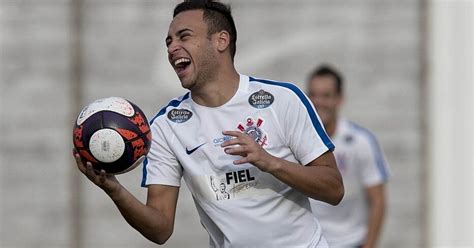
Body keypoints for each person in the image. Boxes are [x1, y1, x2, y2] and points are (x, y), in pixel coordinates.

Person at [73, 1, 344, 247]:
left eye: (184, 36)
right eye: (168, 41)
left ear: (221, 40)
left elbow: (333, 189)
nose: (171, 47)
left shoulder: (282, 100)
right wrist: (114, 190)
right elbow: (160, 229)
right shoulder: (165, 127)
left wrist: (269, 162)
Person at [306, 65, 390, 248]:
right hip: (309, 242)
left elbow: (378, 200)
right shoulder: (296, 142)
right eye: (313, 95)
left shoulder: (360, 141)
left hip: (351, 241)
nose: (318, 102)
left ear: (340, 99)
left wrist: (369, 245)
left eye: (326, 96)